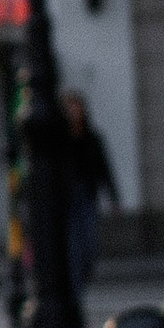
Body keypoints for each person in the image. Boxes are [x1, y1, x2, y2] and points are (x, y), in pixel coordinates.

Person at [60, 87, 118, 300]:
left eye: (78, 108)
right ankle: (75, 292)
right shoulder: (61, 140)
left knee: (89, 246)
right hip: (68, 198)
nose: (75, 113)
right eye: (71, 109)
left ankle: (79, 284)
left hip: (87, 194)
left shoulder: (92, 138)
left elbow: (104, 169)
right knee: (74, 247)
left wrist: (113, 198)